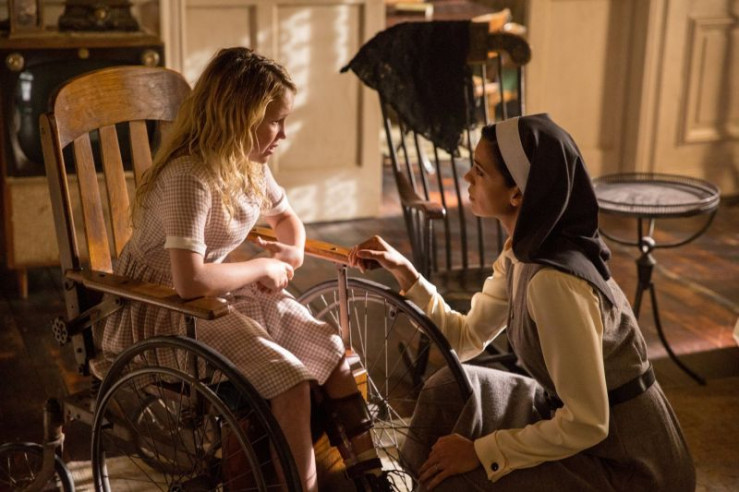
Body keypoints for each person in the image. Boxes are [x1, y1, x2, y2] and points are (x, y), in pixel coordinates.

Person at [349, 114, 695, 491]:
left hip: (627, 461)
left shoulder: (554, 284)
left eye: (480, 171)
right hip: (568, 415)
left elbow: (588, 423)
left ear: (517, 193)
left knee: (460, 480)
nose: (467, 177)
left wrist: (481, 451)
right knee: (446, 389)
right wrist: (407, 274)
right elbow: (465, 339)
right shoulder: (523, 252)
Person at [101, 47, 388, 491]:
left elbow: (286, 217)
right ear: (237, 117)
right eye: (276, 121)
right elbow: (188, 281)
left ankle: (370, 479)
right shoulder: (189, 177)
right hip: (163, 309)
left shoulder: (248, 165)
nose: (284, 134)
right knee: (290, 381)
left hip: (218, 296)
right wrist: (260, 267)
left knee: (331, 351)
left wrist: (291, 251)